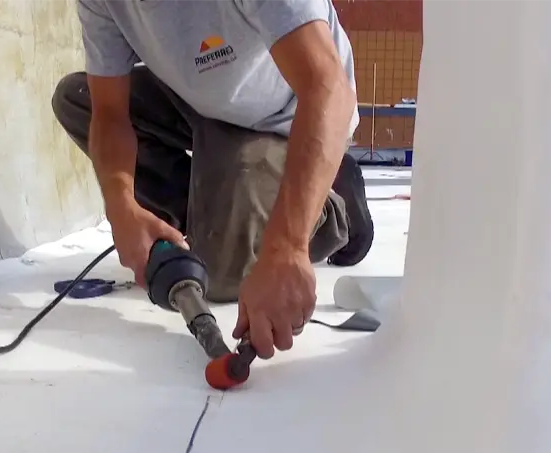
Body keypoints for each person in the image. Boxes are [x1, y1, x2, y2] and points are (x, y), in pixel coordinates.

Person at [52, 0, 373, 360]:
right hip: (203, 104)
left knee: (218, 276)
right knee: (77, 100)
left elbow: (327, 87)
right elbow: (109, 114)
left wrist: (287, 246)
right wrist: (121, 205)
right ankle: (211, 214)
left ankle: (332, 198)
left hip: (287, 118)